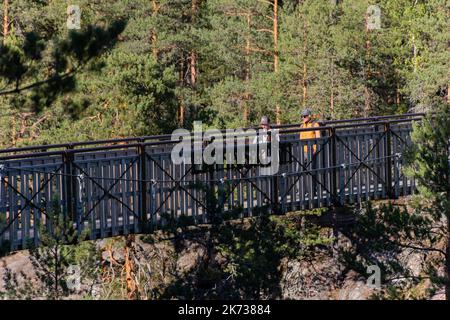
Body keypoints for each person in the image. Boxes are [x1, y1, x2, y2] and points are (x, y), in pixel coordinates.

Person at [299, 108, 321, 198]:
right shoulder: (302, 126)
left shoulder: (315, 124)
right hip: (302, 151)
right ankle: (302, 191)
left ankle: (312, 191)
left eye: (305, 116)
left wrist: (315, 150)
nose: (303, 118)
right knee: (300, 171)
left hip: (311, 151)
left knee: (311, 172)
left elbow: (318, 137)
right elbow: (300, 138)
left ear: (309, 116)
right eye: (302, 116)